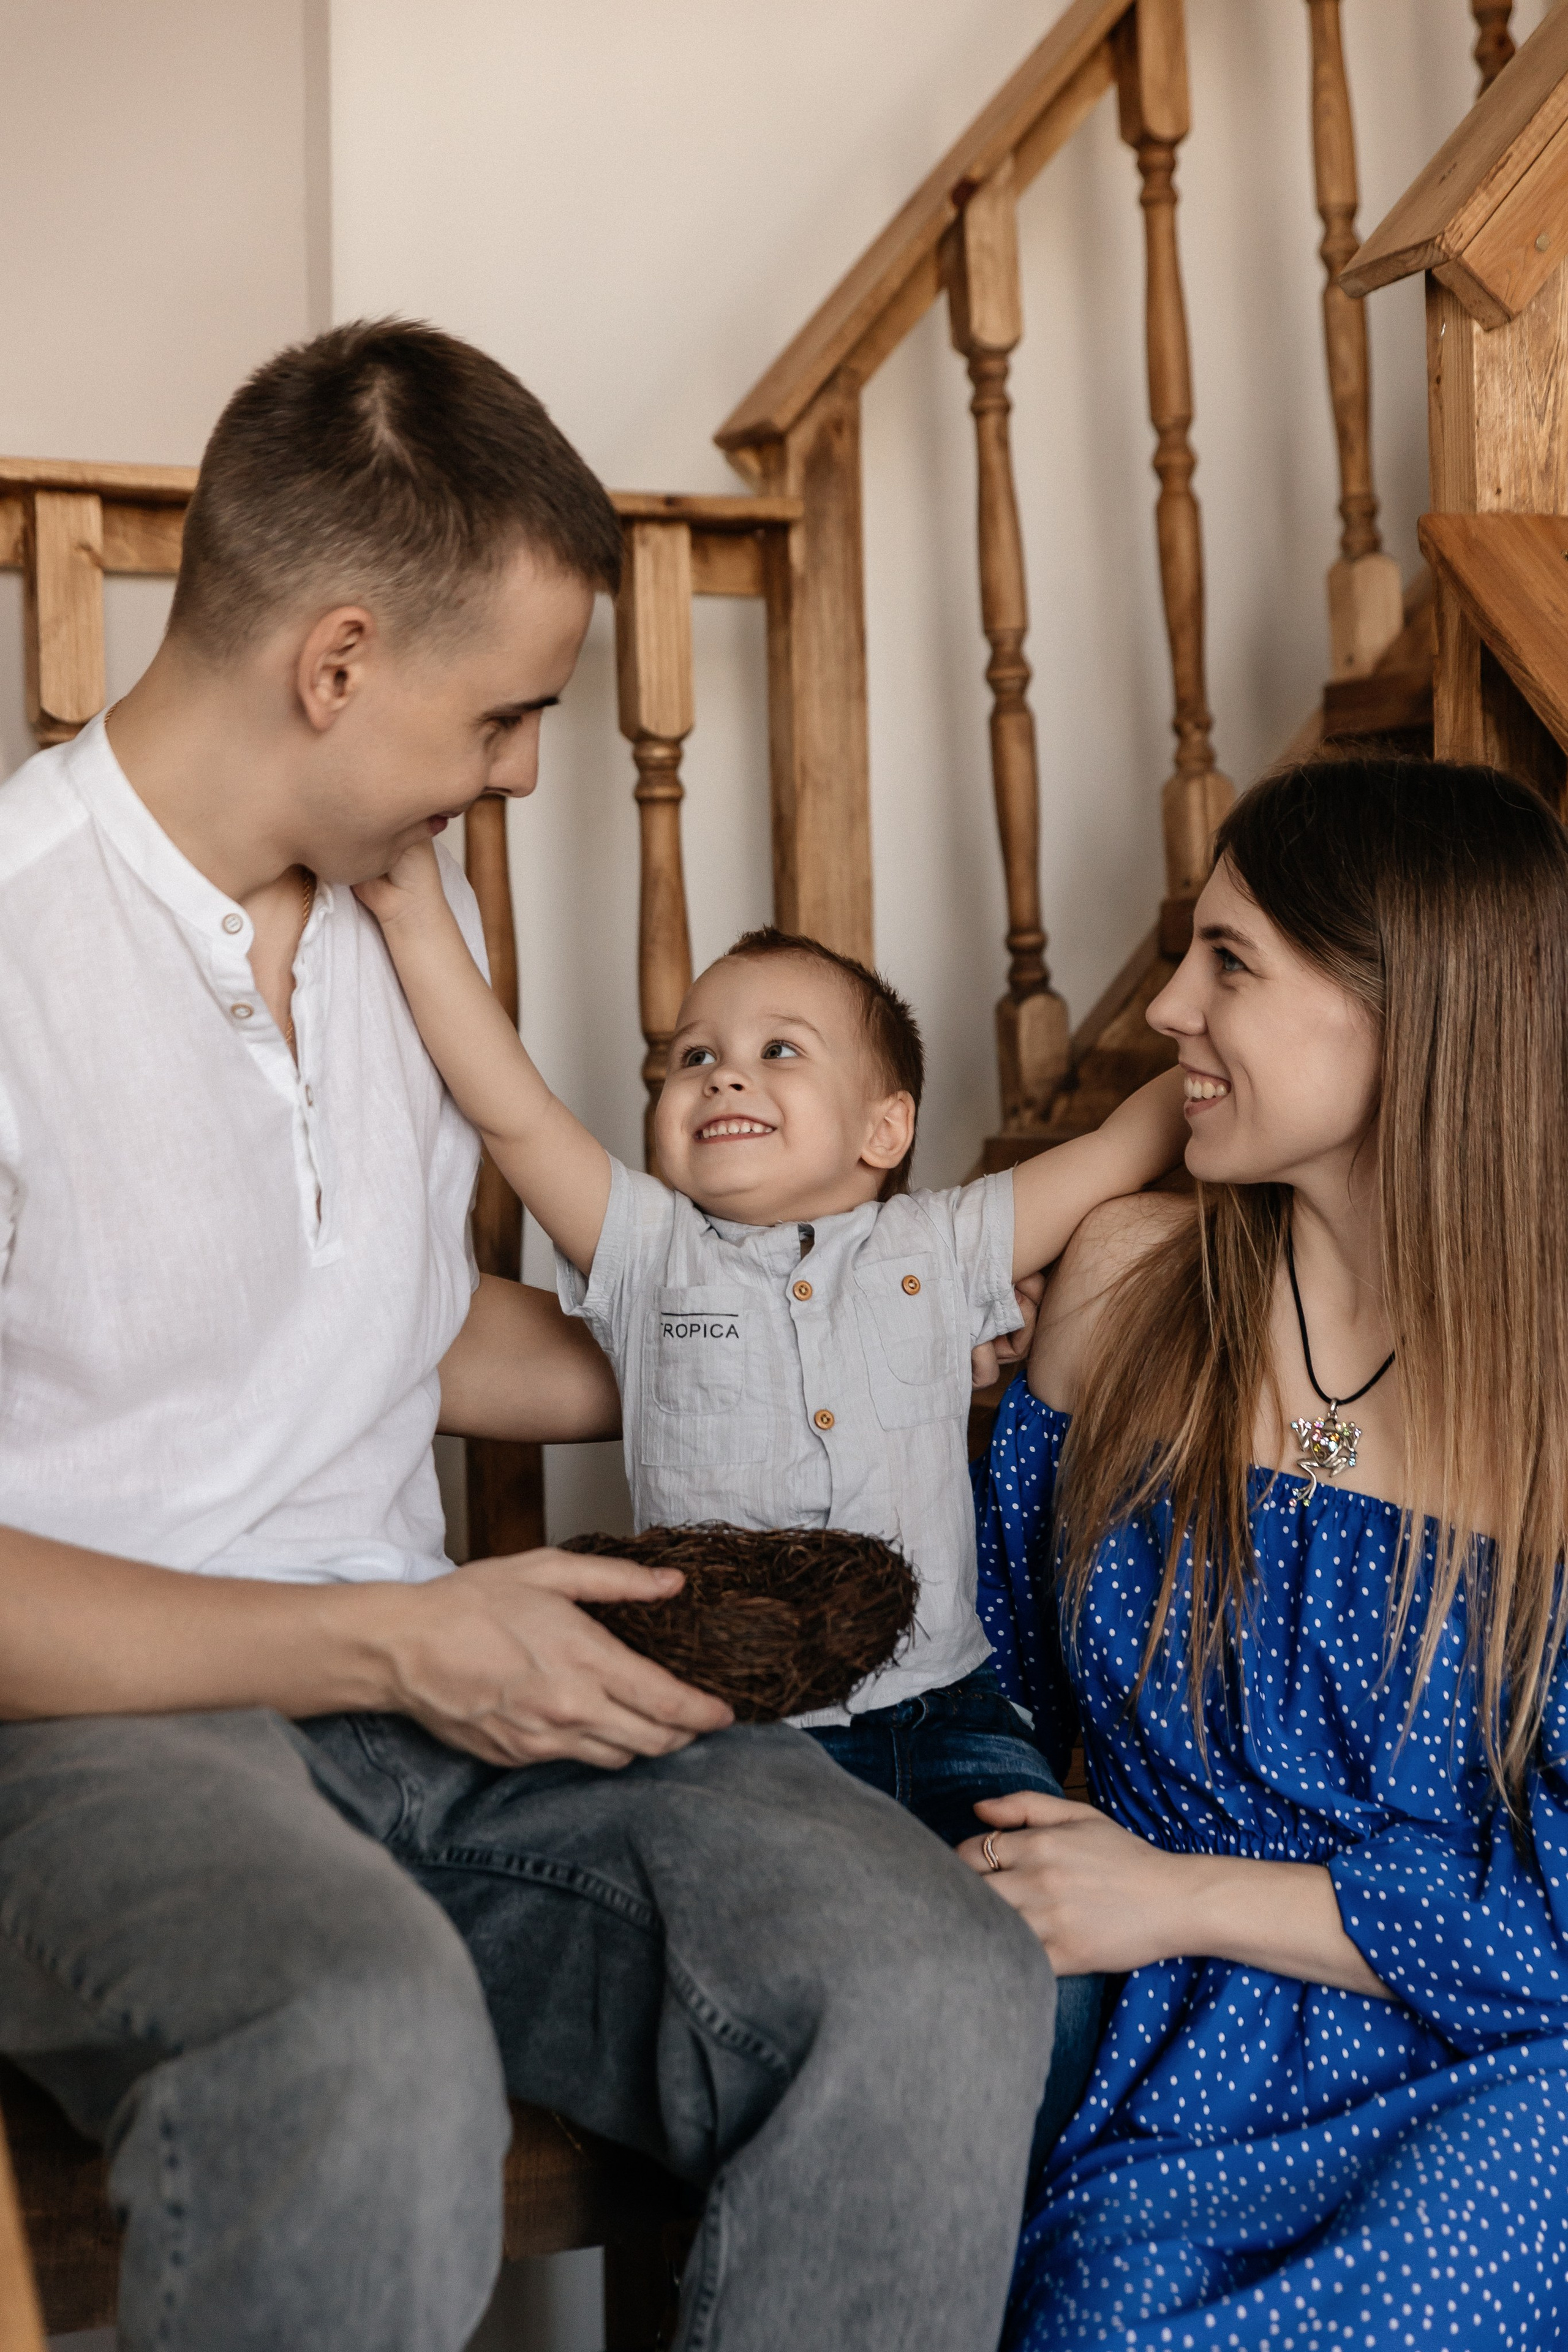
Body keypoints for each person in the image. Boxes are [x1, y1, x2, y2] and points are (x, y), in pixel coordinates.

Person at [0, 317, 1055, 2352]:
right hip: (95, 1740)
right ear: (336, 664)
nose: (525, 771)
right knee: (364, 2036)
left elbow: (371, 1317)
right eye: (503, 715)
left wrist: (803, 1350)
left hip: (439, 1699)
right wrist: (395, 1640)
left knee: (937, 1974)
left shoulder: (406, 910)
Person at [966, 755, 1568, 2351]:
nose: (1168, 1006)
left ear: (1406, 1012)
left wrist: (1180, 1898)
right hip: (1168, 2061)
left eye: (1229, 961)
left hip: (1499, 2067)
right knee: (1112, 2320)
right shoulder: (1122, 1287)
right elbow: (984, 1687)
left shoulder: (1550, 1407)